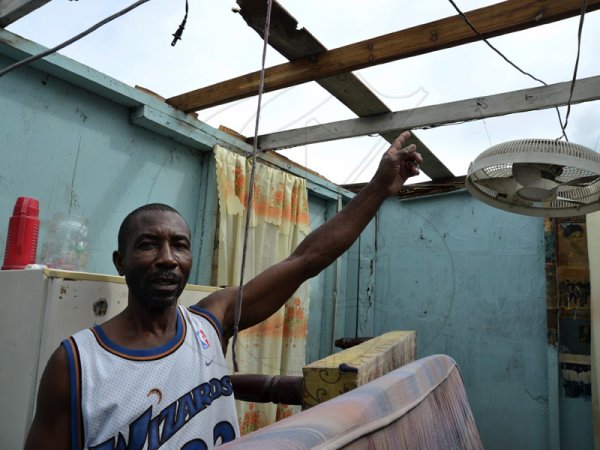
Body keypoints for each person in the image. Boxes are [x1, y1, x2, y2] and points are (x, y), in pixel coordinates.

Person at [25, 131, 422, 449]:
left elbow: (305, 260)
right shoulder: (77, 365)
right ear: (119, 261)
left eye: (179, 245)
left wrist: (375, 190)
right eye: (148, 244)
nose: (168, 258)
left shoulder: (210, 323)